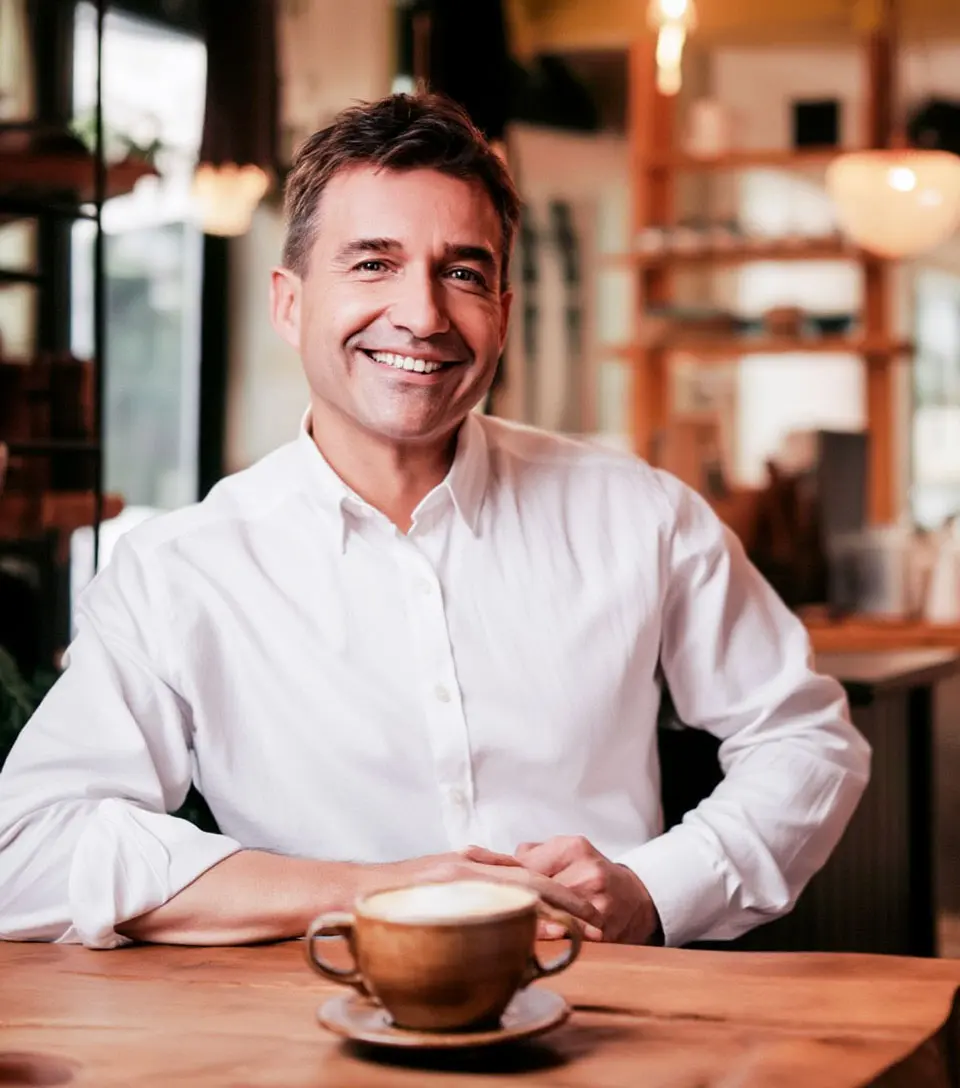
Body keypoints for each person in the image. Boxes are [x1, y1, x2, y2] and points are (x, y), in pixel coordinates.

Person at [0, 93, 869, 951]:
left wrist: (655, 889)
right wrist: (374, 892)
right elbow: (25, 850)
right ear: (290, 303)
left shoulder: (640, 515)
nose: (421, 314)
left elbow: (805, 737)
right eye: (373, 264)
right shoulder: (178, 572)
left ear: (502, 314)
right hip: (302, 1038)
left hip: (615, 1018)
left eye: (462, 272)